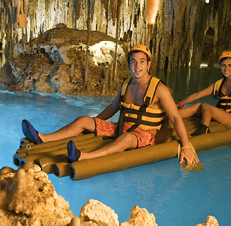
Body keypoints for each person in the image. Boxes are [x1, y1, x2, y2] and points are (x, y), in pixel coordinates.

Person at [21, 44, 201, 169]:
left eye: (141, 62)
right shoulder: (126, 85)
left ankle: (84, 157)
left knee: (127, 139)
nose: (137, 66)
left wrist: (185, 145)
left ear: (149, 64)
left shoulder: (159, 89)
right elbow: (113, 108)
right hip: (121, 128)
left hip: (145, 136)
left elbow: (176, 117)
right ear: (129, 64)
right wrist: (94, 123)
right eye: (133, 62)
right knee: (83, 120)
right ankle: (43, 138)